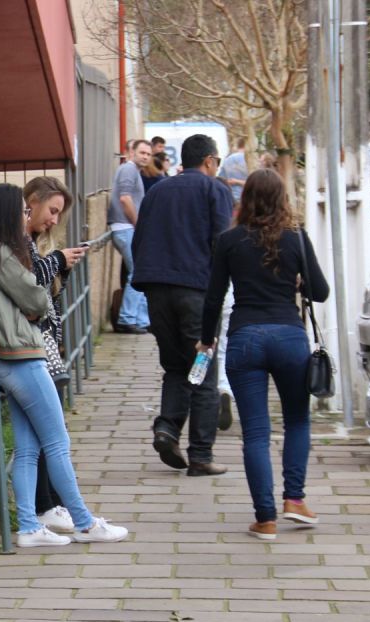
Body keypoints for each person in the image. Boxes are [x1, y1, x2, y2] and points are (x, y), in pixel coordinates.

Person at [0, 183, 128, 548]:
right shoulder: (3, 253)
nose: (28, 217)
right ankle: (84, 523)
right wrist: (35, 299)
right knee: (57, 443)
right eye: (23, 211)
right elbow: (38, 297)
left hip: (9, 360)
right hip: (25, 358)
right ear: (8, 214)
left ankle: (28, 527)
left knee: (27, 449)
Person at [198, 169, 330, 539]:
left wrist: (206, 339)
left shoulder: (228, 240)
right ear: (283, 199)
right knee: (297, 421)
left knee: (256, 432)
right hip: (290, 338)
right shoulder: (297, 238)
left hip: (245, 339)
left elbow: (213, 297)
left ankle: (266, 518)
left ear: (247, 200)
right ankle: (295, 500)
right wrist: (299, 280)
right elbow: (320, 292)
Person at [131, 134, 233, 477]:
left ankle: (168, 429)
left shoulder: (157, 190)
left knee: (176, 364)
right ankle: (201, 455)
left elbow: (140, 237)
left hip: (156, 291)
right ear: (208, 161)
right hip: (197, 293)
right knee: (203, 368)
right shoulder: (214, 190)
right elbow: (222, 242)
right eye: (216, 161)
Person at [22, 176, 87, 534]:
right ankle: (49, 507)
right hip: (29, 350)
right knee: (50, 430)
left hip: (43, 348)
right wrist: (58, 259)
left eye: (58, 214)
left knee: (45, 431)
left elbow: (48, 302)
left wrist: (61, 267)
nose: (54, 220)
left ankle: (47, 505)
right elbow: (28, 286)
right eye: (52, 210)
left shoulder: (35, 243)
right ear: (31, 201)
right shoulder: (18, 243)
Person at [108, 139, 152, 334]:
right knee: (138, 273)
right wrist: (138, 224)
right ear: (131, 152)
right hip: (125, 227)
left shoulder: (133, 171)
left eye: (148, 154)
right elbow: (125, 198)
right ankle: (127, 318)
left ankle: (141, 321)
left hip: (126, 228)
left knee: (141, 272)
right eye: (142, 152)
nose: (145, 156)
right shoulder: (128, 169)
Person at [219, 137, 249, 203]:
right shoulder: (250, 161)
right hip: (247, 198)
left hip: (231, 197)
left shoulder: (228, 159)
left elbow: (221, 180)